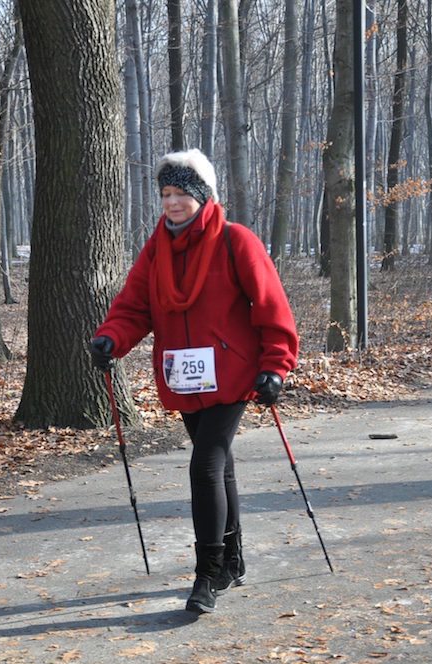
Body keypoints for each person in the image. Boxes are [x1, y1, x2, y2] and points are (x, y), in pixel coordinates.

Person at [89, 149, 299, 614]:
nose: (172, 202)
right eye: (165, 193)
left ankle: (207, 574)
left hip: (233, 374)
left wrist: (275, 366)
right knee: (220, 468)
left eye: (181, 193)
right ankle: (233, 560)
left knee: (205, 466)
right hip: (183, 377)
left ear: (203, 196)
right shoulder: (156, 249)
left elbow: (272, 307)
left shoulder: (235, 241)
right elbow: (134, 306)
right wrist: (111, 338)